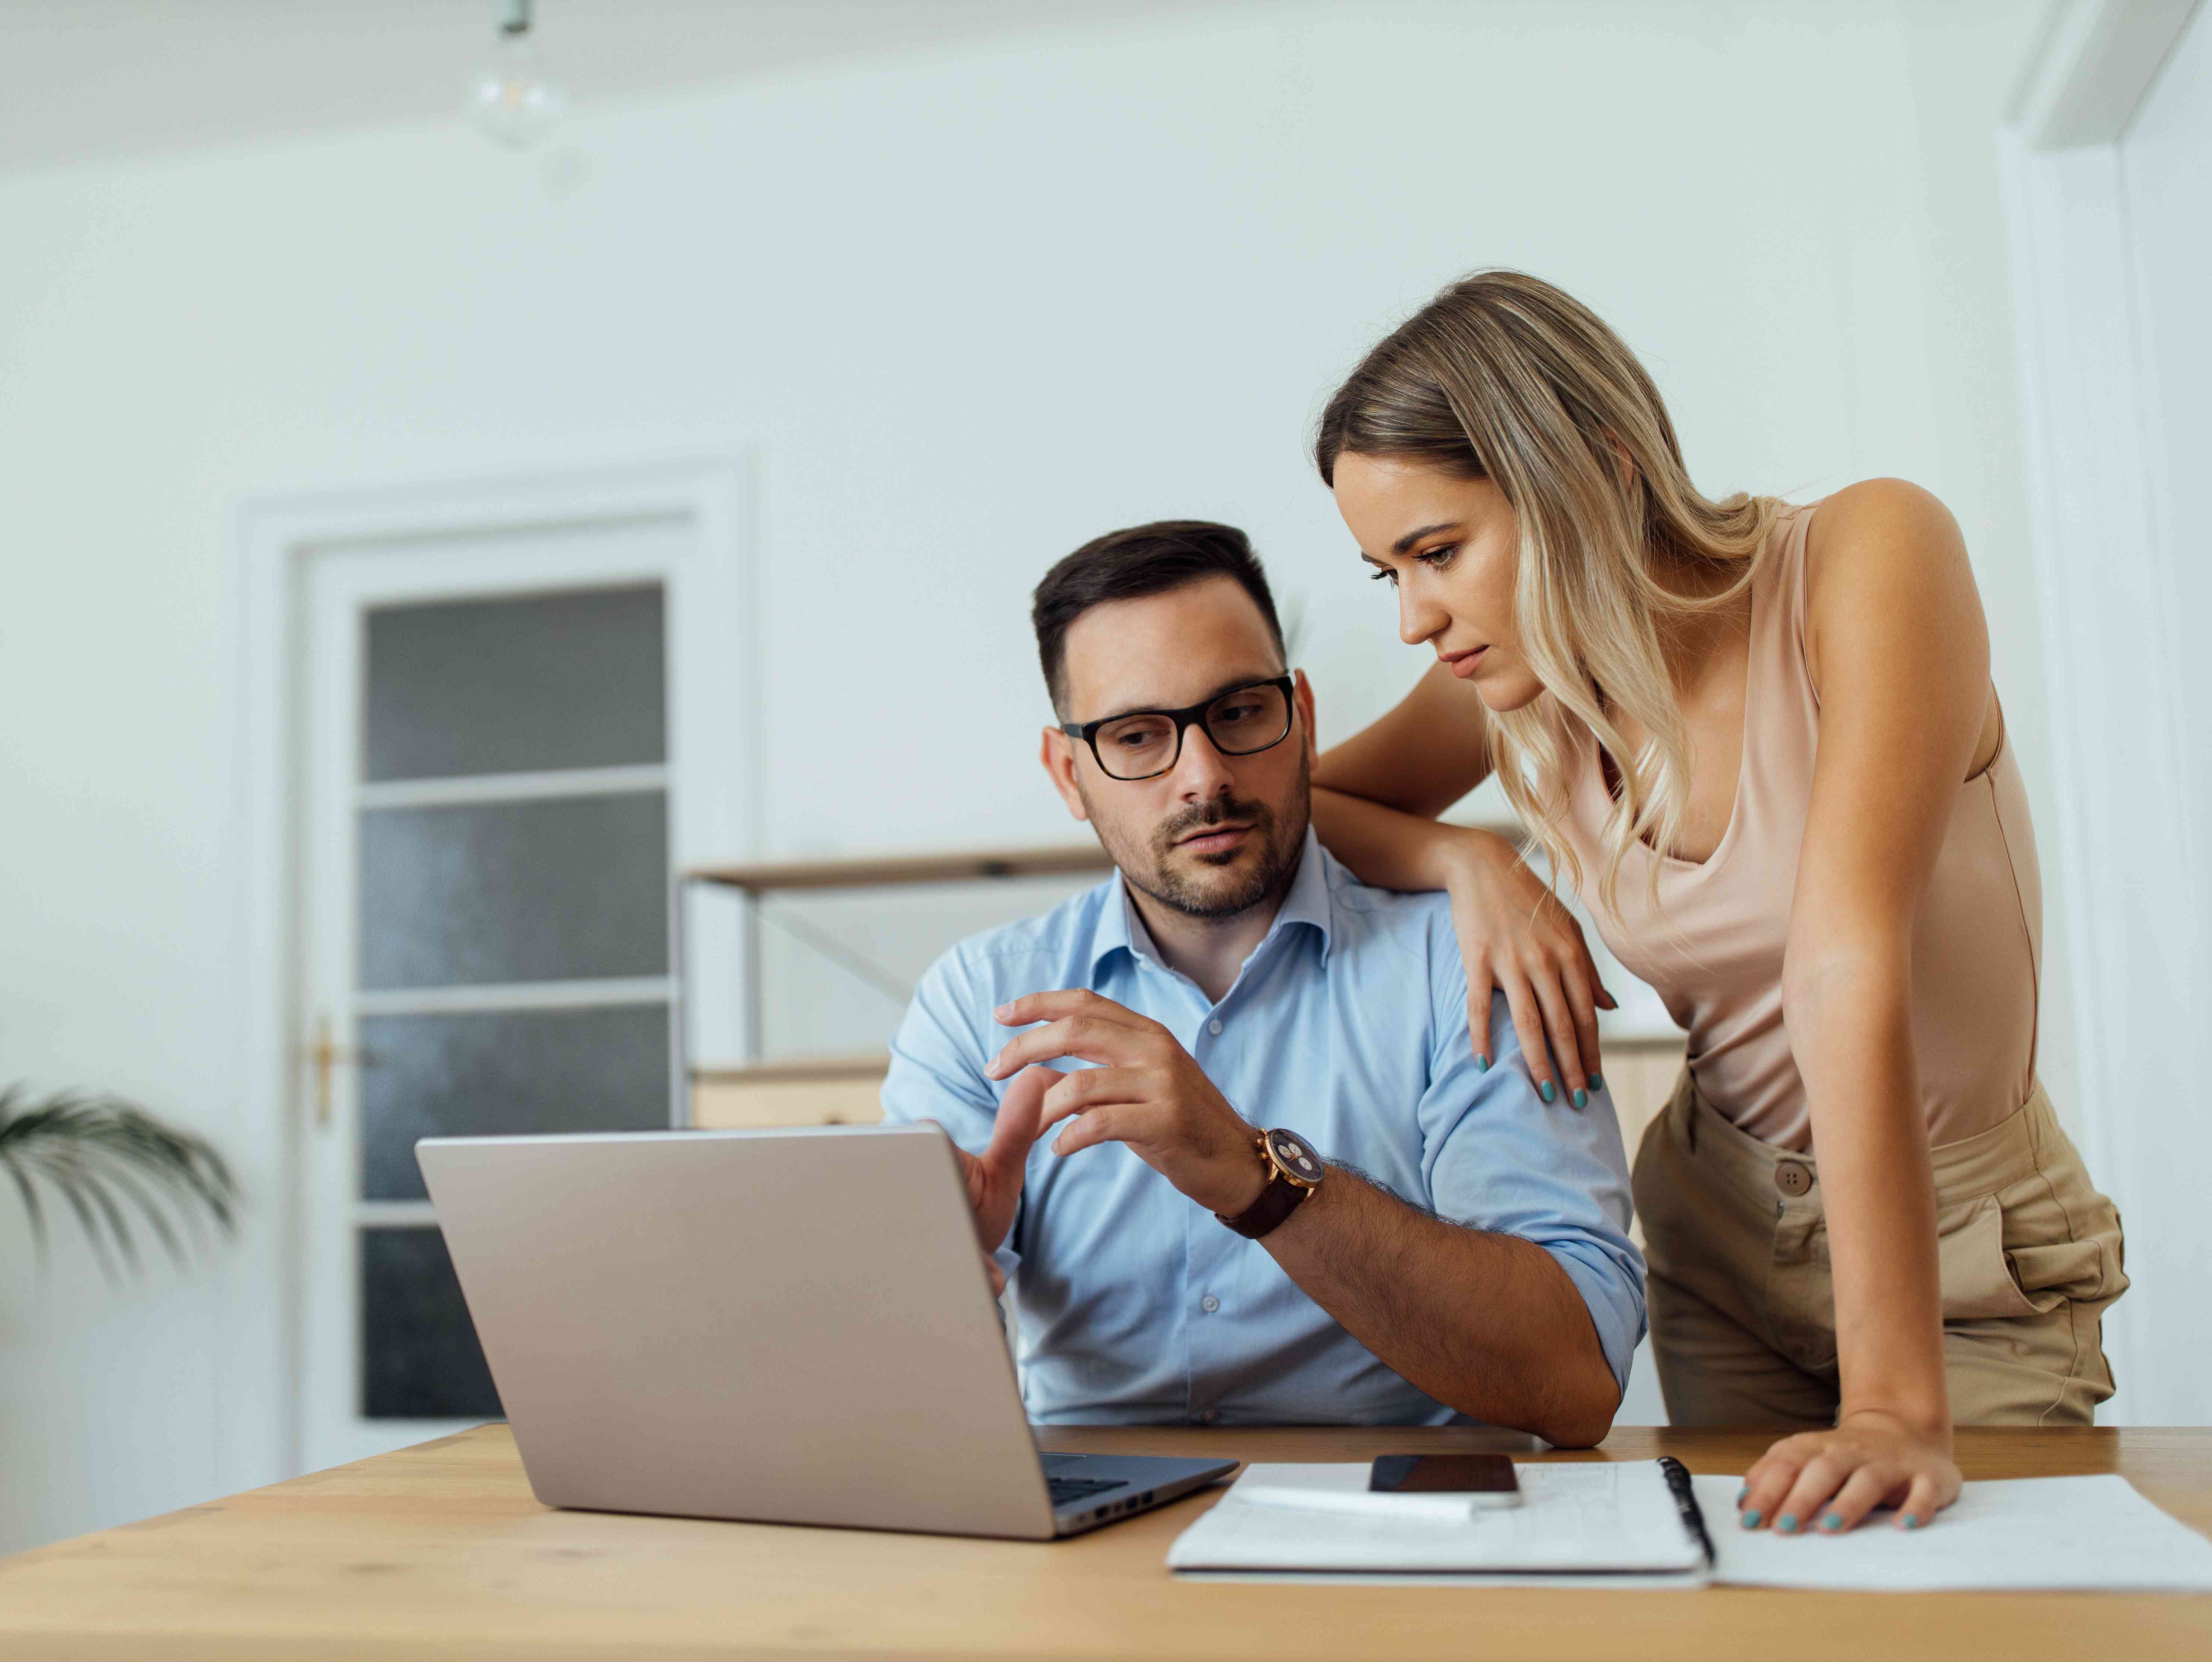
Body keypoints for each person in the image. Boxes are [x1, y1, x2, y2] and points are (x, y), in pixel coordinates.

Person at [1306, 270, 2127, 1534]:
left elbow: (1842, 957)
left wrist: (1898, 1411)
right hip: (1719, 1233)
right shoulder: (1522, 675)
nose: (1418, 616)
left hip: (1962, 1257)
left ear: (1593, 471)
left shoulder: (1870, 553)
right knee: (1750, 1609)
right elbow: (1292, 807)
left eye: (1438, 552)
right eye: (1387, 575)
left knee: (1961, 1615)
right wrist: (1474, 861)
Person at [879, 520, 1644, 1446]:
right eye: (1136, 735)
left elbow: (1576, 1379)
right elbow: (878, 1392)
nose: (1203, 778)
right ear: (1068, 772)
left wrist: (1258, 1176)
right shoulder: (978, 1001)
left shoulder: (1469, 961)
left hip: (1408, 1521)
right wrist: (937, 1280)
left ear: (1304, 718)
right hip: (1092, 1547)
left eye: (1239, 712)